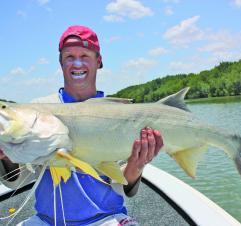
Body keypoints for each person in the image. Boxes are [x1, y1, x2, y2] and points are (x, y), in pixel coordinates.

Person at [0, 25, 163, 225]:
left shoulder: (119, 114)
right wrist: (7, 155)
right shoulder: (36, 111)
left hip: (108, 217)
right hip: (48, 220)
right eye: (69, 56)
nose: (77, 63)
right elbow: (19, 179)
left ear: (99, 61)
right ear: (61, 63)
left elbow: (122, 184)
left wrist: (137, 165)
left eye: (85, 55)